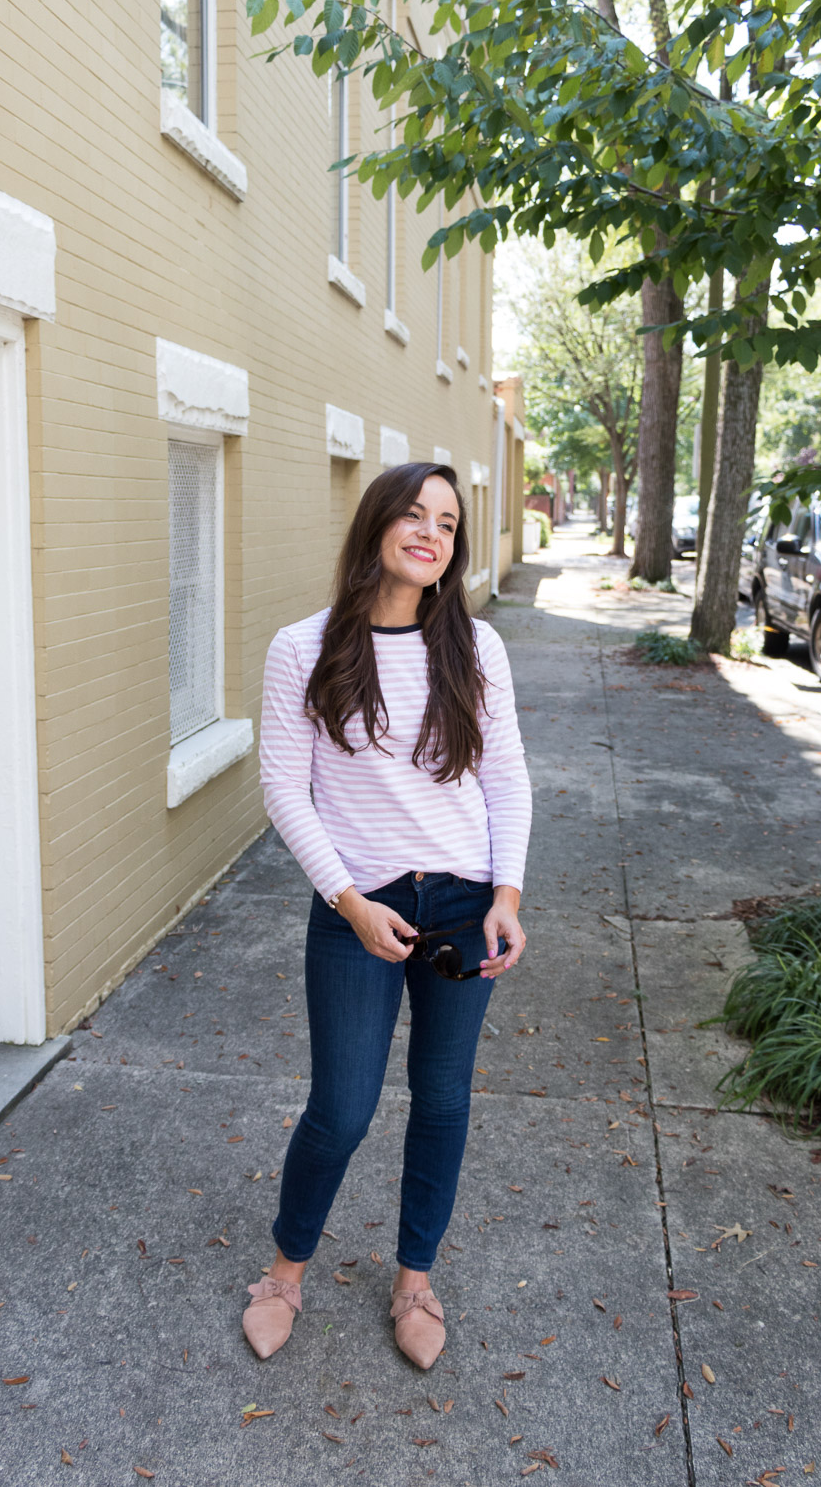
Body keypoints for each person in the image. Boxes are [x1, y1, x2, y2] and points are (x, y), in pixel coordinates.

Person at [244, 462, 532, 1369]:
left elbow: (506, 776)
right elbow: (285, 788)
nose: (431, 533)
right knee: (342, 1108)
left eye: (448, 523)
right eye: (415, 514)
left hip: (462, 904)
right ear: (376, 525)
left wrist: (509, 895)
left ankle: (415, 1281)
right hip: (354, 903)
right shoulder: (306, 647)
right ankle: (285, 1273)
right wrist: (348, 901)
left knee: (443, 1100)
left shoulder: (476, 648)